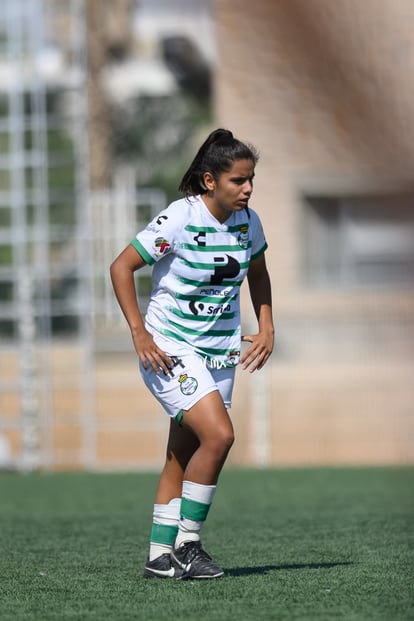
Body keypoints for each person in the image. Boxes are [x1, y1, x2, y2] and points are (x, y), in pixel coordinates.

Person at [110, 128, 274, 580]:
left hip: (219, 351)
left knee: (181, 454)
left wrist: (267, 326)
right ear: (209, 181)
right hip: (170, 347)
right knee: (220, 436)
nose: (248, 189)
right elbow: (121, 266)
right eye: (239, 180)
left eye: (251, 179)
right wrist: (140, 334)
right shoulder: (179, 219)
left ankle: (159, 558)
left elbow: (258, 274)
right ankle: (189, 545)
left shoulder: (249, 223)